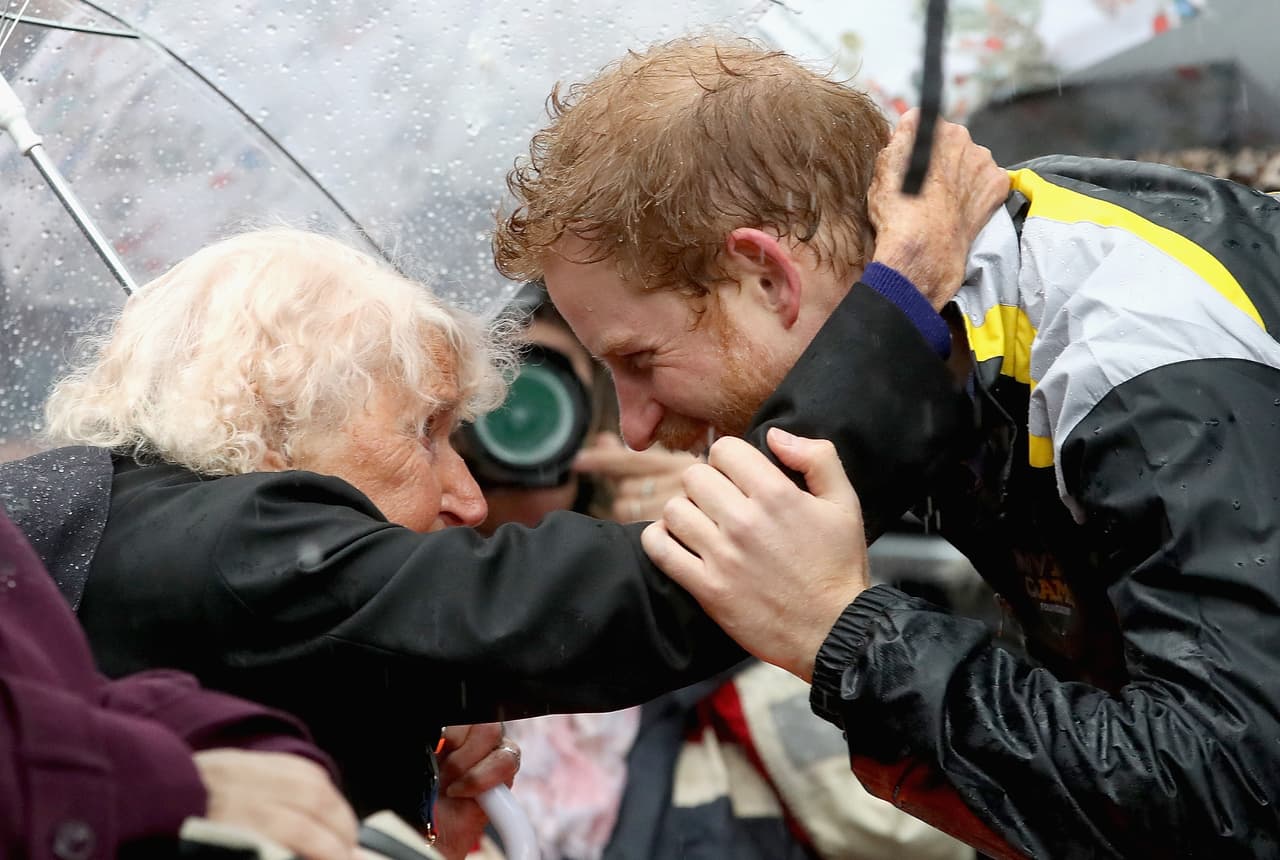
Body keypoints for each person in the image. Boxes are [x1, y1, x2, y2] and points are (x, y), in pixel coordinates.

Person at [492, 37, 1280, 859]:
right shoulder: (951, 343)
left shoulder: (1131, 343)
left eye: (639, 361)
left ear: (767, 276)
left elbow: (1233, 793)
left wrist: (843, 631)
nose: (637, 428)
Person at [0, 226, 758, 857]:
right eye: (426, 432)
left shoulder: (144, 530)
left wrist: (409, 803)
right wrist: (879, 309)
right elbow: (616, 606)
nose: (468, 497)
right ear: (275, 425)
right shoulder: (236, 545)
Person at [463, 296, 970, 860]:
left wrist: (727, 561)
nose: (503, 422)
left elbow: (920, 836)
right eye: (469, 403)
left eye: (532, 389)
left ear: (596, 422)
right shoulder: (395, 670)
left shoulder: (694, 569)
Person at [0, 506, 359, 860]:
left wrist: (239, 740)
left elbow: (63, 686)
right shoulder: (261, 511)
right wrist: (179, 784)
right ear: (276, 453)